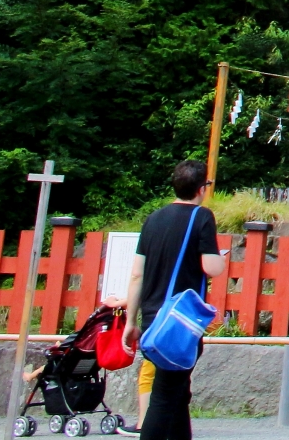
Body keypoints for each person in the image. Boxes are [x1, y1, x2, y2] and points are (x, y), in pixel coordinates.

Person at [117, 159, 228, 440]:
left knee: (178, 392)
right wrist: (221, 257)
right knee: (165, 397)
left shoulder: (153, 219)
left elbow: (136, 275)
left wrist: (131, 321)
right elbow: (211, 268)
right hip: (180, 322)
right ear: (202, 188)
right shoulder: (202, 217)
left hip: (153, 319)